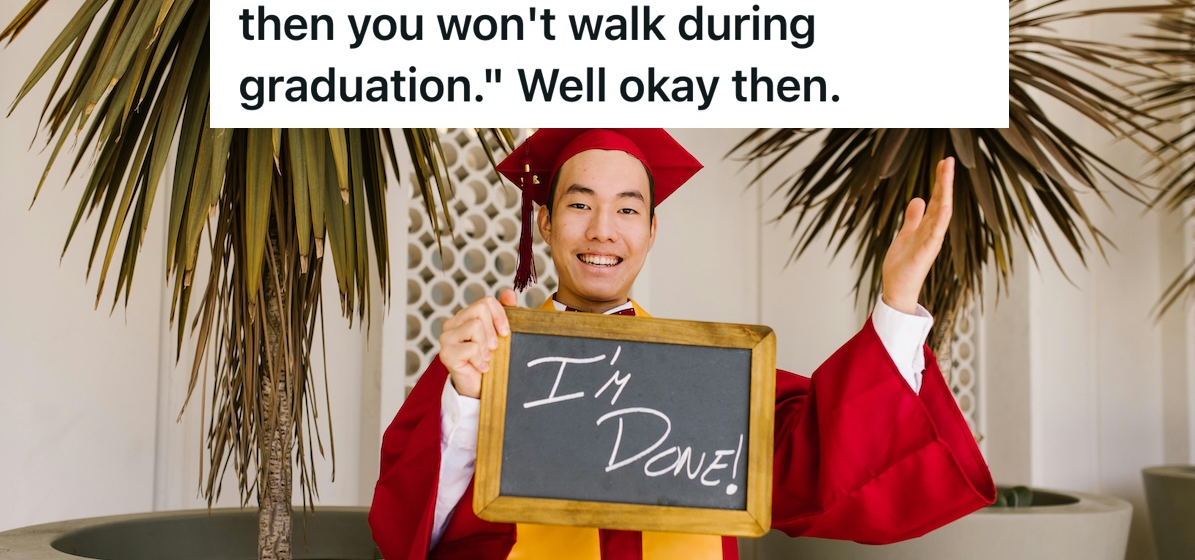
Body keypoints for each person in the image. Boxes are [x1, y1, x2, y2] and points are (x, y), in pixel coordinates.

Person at [369, 128, 995, 560]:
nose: (601, 231)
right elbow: (412, 533)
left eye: (626, 210)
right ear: (545, 222)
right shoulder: (483, 361)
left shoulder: (707, 377)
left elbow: (822, 456)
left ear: (651, 229)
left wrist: (898, 301)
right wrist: (468, 400)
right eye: (580, 204)